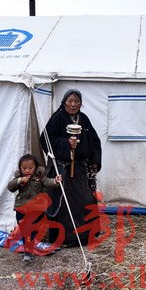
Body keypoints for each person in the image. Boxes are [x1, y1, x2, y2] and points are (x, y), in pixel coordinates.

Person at [40, 89, 102, 247]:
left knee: (85, 200)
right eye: (70, 101)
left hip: (80, 170)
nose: (73, 104)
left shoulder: (84, 119)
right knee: (64, 204)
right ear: (64, 103)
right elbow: (45, 139)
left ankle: (85, 236)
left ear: (80, 103)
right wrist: (66, 143)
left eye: (77, 101)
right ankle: (65, 238)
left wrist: (94, 161)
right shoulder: (57, 118)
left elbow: (95, 141)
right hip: (63, 169)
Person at [7, 154, 62, 262]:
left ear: (35, 167)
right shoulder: (19, 178)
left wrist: (55, 181)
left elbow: (48, 182)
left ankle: (31, 248)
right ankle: (28, 248)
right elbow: (10, 187)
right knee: (24, 229)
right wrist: (19, 180)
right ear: (20, 168)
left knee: (33, 229)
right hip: (21, 208)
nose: (27, 171)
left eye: (30, 168)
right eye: (24, 168)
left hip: (36, 209)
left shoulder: (39, 177)